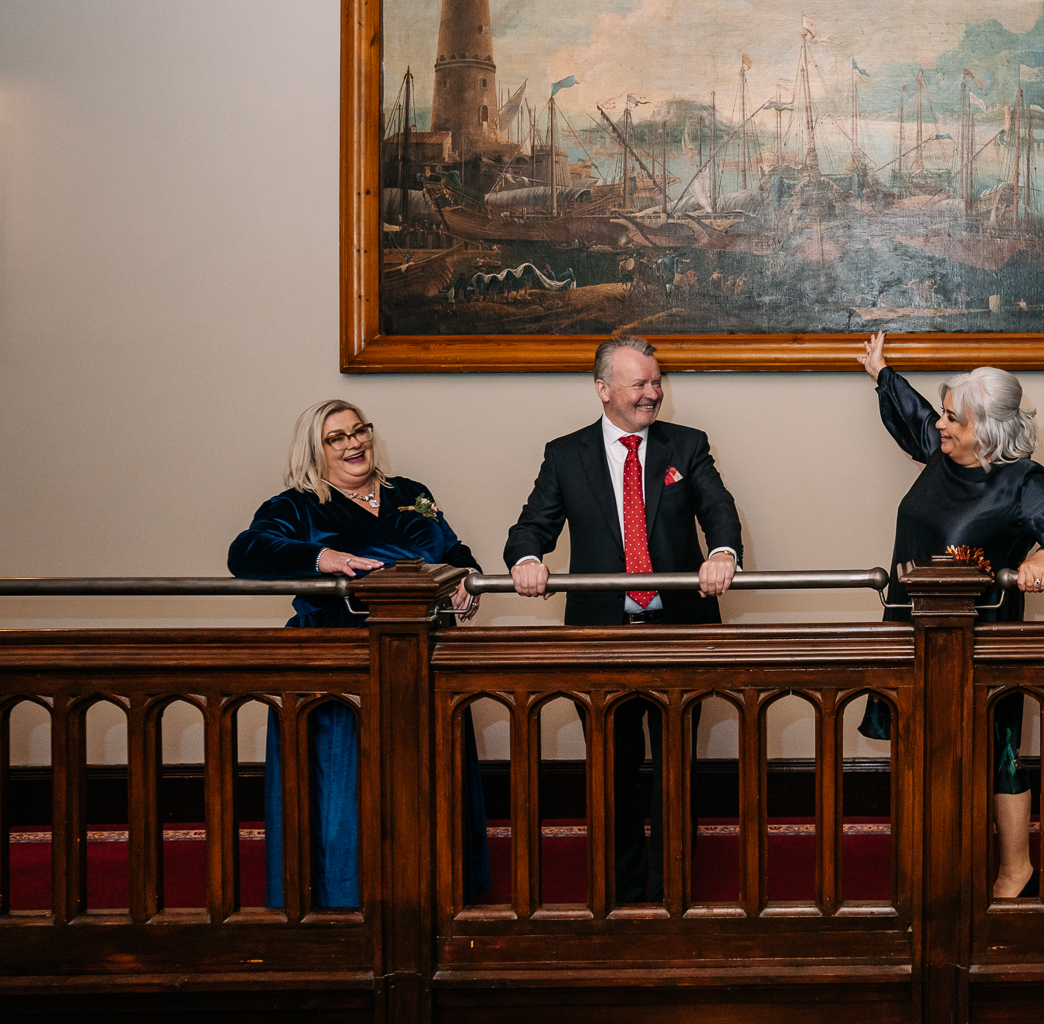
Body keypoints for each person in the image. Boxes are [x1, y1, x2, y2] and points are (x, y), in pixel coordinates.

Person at [857, 332, 1044, 899]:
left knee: (999, 755)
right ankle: (931, 860)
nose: (942, 426)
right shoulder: (941, 452)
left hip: (983, 644)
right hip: (911, 630)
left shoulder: (1021, 481)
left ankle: (1016, 869)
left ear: (986, 433)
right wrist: (882, 374)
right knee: (919, 748)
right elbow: (916, 418)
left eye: (955, 420)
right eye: (944, 415)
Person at [504, 335, 743, 904]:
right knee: (612, 774)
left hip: (678, 634)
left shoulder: (686, 446)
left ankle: (670, 892)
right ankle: (618, 892)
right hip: (600, 639)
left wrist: (723, 553)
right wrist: (528, 560)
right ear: (603, 389)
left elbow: (718, 508)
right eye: (640, 383)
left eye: (656, 382)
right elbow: (532, 525)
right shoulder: (566, 454)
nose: (652, 394)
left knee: (673, 775)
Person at [228, 399, 490, 908]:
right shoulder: (297, 505)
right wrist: (318, 556)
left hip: (423, 656)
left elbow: (453, 549)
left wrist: (466, 578)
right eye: (336, 438)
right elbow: (244, 552)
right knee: (342, 788)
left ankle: (435, 891)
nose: (354, 443)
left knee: (426, 780)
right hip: (337, 665)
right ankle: (340, 901)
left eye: (359, 430)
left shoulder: (411, 494)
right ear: (315, 450)